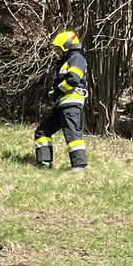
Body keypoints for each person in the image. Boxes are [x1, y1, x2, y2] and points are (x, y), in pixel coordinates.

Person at [34, 29, 89, 172]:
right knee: (42, 131)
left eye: (58, 49)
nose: (56, 53)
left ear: (67, 46)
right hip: (62, 104)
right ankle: (44, 163)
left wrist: (56, 91)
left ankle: (79, 166)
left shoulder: (77, 58)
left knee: (72, 134)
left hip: (71, 103)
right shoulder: (65, 62)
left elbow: (73, 80)